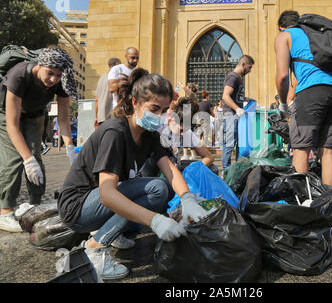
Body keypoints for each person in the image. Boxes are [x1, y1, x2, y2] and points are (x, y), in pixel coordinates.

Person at [57, 69, 210, 280]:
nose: (159, 116)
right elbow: (107, 194)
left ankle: (112, 232)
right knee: (156, 188)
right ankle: (94, 247)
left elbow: (170, 169)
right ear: (135, 102)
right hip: (78, 207)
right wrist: (155, 221)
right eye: (154, 108)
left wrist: (188, 199)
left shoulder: (149, 135)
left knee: (161, 186)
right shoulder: (115, 133)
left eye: (165, 110)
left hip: (98, 202)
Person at [0, 46, 77, 232]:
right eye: (50, 73)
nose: (53, 80)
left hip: (35, 115)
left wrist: (70, 149)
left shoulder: (62, 81)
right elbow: (12, 124)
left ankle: (34, 205)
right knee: (15, 160)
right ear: (40, 64)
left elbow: (64, 120)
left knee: (36, 157)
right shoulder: (19, 74)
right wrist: (27, 159)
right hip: (7, 116)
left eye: (58, 75)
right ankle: (5, 211)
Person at [274, 10, 332, 185]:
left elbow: (283, 75)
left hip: (312, 90)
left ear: (281, 27)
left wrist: (283, 103)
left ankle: (302, 204)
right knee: (327, 149)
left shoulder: (285, 36)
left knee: (301, 148)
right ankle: (330, 199)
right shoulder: (314, 33)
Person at [221, 54, 254, 170]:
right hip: (231, 115)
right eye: (249, 67)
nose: (249, 71)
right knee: (230, 144)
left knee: (240, 144)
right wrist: (237, 109)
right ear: (243, 64)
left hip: (237, 115)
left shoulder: (239, 78)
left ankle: (238, 170)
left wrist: (245, 99)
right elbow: (225, 96)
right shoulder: (233, 77)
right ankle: (226, 171)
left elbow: (235, 96)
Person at [94, 57, 121, 128]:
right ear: (117, 65)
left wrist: (96, 117)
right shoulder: (116, 78)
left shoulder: (101, 79)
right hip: (112, 116)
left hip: (101, 117)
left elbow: (96, 100)